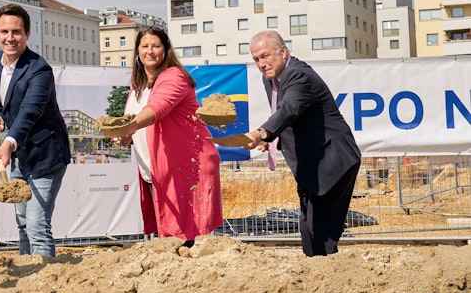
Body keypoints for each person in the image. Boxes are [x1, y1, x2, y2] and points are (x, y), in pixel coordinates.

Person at [246, 30, 361, 256]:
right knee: (310, 228)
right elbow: (290, 115)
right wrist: (272, 139)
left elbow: (290, 109)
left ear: (283, 51)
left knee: (320, 231)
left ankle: (327, 274)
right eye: (256, 59)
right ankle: (319, 271)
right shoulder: (271, 78)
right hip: (311, 163)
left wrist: (263, 132)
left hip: (332, 160)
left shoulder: (299, 75)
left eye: (265, 56)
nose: (261, 64)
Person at [117, 27, 223, 247]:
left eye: (156, 46)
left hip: (186, 167)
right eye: (145, 46)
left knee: (183, 239)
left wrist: (129, 126)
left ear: (166, 50)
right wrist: (126, 135)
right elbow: (138, 123)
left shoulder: (174, 76)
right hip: (155, 169)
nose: (150, 51)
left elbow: (158, 108)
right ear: (137, 51)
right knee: (169, 236)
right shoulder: (138, 87)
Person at [0, 4, 70, 257]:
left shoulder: (39, 70)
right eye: (4, 31)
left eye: (16, 32)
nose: (10, 38)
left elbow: (30, 111)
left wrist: (8, 143)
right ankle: (27, 270)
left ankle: (45, 276)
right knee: (22, 222)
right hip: (21, 155)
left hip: (46, 155)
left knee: (37, 225)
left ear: (27, 34)